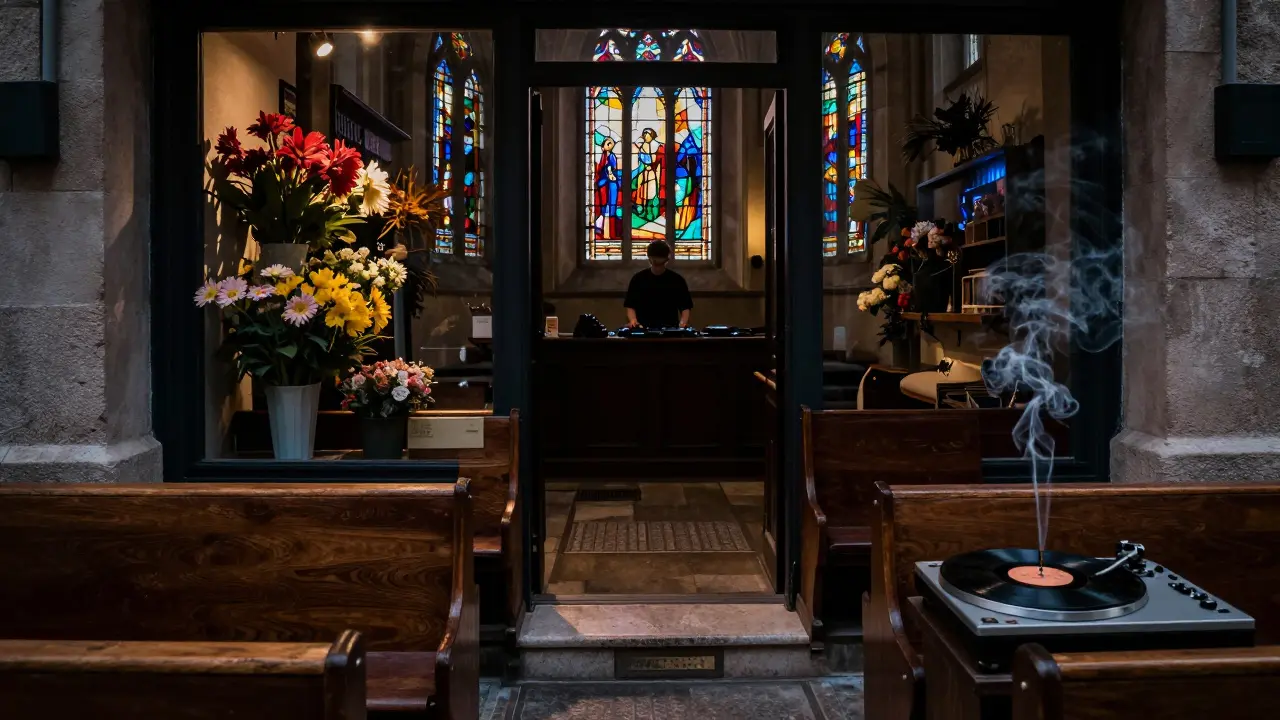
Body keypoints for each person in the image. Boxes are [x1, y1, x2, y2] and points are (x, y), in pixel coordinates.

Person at [624, 241, 693, 329]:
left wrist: (682, 324)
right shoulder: (638, 279)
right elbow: (630, 305)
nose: (657, 265)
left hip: (670, 330)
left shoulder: (677, 280)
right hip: (643, 329)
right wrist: (633, 321)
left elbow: (685, 307)